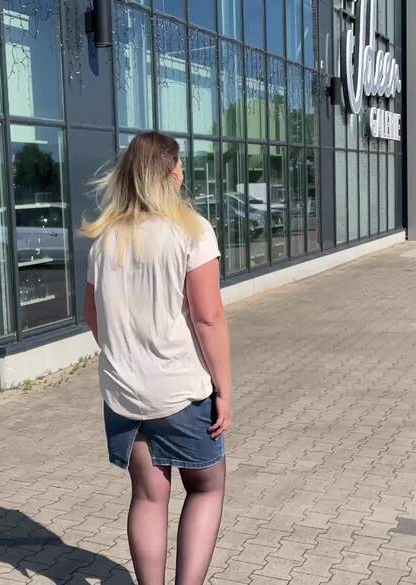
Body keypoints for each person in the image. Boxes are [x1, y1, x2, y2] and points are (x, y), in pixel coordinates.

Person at [82, 131, 233, 585]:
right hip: (181, 392)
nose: (183, 174)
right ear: (167, 175)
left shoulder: (105, 237)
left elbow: (92, 315)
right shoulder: (192, 231)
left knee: (148, 496)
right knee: (207, 488)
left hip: (124, 394)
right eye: (179, 166)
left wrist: (126, 355)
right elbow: (208, 318)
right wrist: (225, 391)